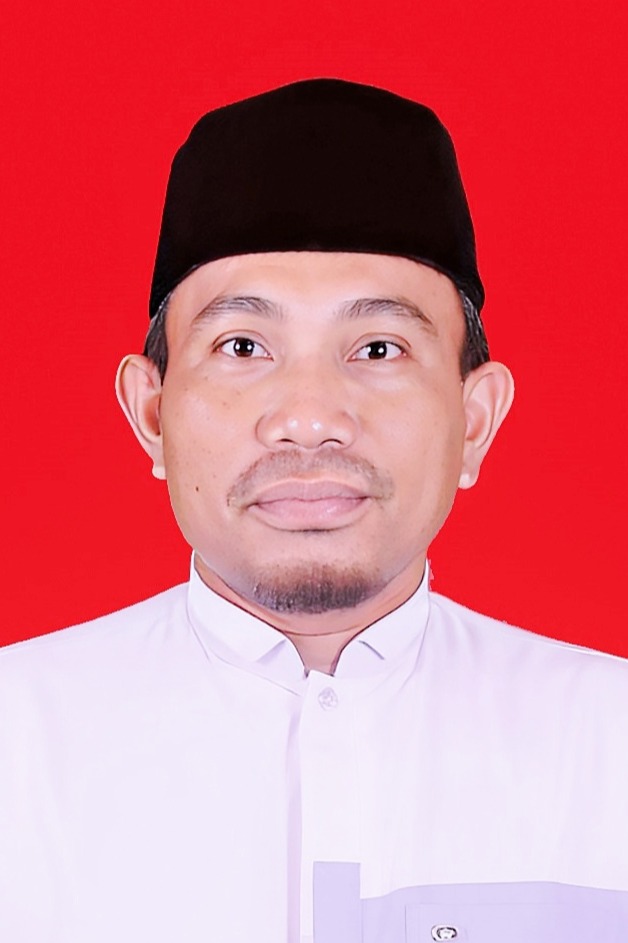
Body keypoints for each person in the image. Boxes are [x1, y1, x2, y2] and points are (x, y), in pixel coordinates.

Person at [1, 78, 627, 943]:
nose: (308, 417)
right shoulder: (16, 743)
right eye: (242, 345)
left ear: (475, 420)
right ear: (151, 413)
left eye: (378, 347)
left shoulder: (609, 745)